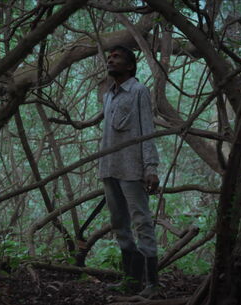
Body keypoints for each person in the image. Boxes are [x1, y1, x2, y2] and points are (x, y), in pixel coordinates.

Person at [99, 45, 160, 297]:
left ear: (130, 66)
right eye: (110, 57)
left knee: (142, 222)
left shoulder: (139, 91)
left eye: (117, 58)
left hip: (132, 169)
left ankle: (152, 284)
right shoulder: (108, 95)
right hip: (109, 168)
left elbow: (147, 129)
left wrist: (151, 167)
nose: (111, 60)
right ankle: (130, 280)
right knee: (119, 225)